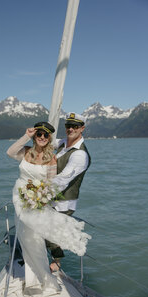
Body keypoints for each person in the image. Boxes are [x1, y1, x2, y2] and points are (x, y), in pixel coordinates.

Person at [5, 121, 91, 297]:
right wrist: (26, 136)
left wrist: (40, 199)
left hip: (35, 201)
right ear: (35, 136)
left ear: (49, 138)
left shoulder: (51, 158)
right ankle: (31, 278)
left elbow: (51, 184)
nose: (42, 137)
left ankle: (41, 278)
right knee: (24, 236)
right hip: (19, 198)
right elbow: (10, 152)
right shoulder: (26, 151)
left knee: (35, 240)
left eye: (46, 135)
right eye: (39, 134)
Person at [48, 113, 91, 272]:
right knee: (42, 229)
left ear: (82, 128)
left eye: (75, 126)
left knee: (51, 232)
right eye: (68, 126)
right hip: (49, 197)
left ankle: (56, 262)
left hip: (63, 202)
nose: (71, 129)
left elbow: (61, 181)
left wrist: (38, 195)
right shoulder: (63, 143)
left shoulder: (80, 154)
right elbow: (45, 142)